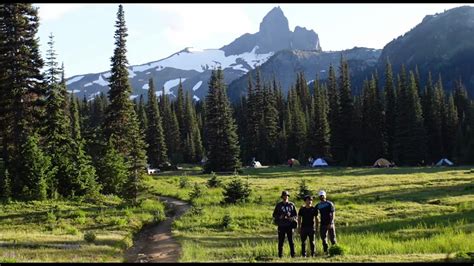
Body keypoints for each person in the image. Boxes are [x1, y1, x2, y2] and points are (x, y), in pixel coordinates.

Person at [272, 190, 297, 258]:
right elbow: (274, 215)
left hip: (290, 225)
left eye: (286, 195)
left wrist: (291, 218)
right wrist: (280, 216)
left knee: (291, 241)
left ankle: (293, 255)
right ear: (282, 196)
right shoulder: (279, 205)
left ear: (288, 196)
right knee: (281, 242)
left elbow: (295, 215)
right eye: (284, 196)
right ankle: (280, 256)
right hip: (281, 225)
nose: (285, 197)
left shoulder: (292, 205)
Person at [315, 190, 336, 254]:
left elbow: (333, 214)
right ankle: (326, 251)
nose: (322, 197)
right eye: (320, 196)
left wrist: (331, 223)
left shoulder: (329, 203)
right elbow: (315, 213)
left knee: (332, 239)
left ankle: (334, 251)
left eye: (323, 196)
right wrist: (317, 222)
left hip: (330, 223)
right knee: (323, 239)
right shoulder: (318, 205)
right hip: (323, 223)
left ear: (325, 196)